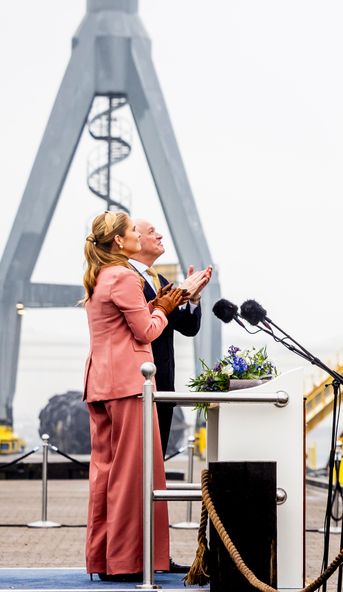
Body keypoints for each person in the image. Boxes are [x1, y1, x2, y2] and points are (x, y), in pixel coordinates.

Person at [83, 211, 187, 582]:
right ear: (119, 242)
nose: (138, 237)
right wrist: (162, 308)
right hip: (130, 385)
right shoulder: (124, 277)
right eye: (131, 232)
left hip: (101, 382)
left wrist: (157, 304)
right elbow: (145, 331)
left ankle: (106, 558)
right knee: (137, 475)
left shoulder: (99, 277)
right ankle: (130, 560)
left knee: (107, 475)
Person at [127, 218, 212, 457]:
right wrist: (176, 294)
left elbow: (188, 327)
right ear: (135, 239)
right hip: (136, 387)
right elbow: (140, 322)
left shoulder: (160, 282)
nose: (160, 236)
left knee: (156, 461)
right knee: (138, 462)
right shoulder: (126, 277)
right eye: (152, 232)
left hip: (163, 386)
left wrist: (193, 299)